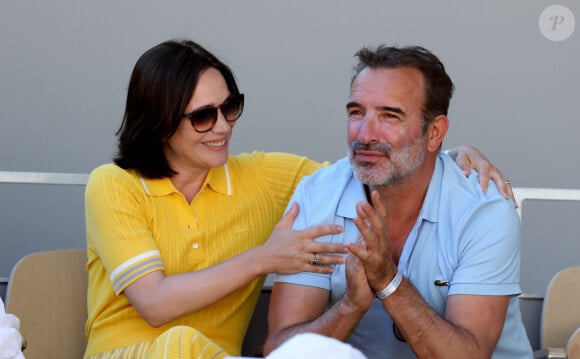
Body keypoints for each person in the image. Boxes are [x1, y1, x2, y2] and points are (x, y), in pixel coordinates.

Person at [83, 39, 514, 359]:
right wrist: (266, 258)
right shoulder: (113, 184)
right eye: (202, 116)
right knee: (179, 347)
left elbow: (372, 165)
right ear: (159, 124)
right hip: (136, 354)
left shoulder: (265, 179)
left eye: (229, 107)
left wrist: (448, 156)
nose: (222, 126)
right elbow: (155, 304)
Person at [264, 45, 533, 359]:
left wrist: (388, 281)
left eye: (389, 116)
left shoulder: (483, 210)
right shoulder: (317, 195)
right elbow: (282, 351)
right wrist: (350, 306)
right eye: (356, 112)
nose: (364, 133)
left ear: (434, 133)